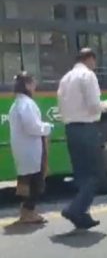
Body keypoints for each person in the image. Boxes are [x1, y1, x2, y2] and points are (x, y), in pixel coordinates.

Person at [57, 48, 107, 230]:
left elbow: (61, 107)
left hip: (71, 129)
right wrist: (106, 105)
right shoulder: (87, 76)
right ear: (89, 59)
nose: (95, 66)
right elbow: (93, 106)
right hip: (86, 128)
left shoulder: (65, 78)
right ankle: (75, 209)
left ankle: (82, 215)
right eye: (94, 62)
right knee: (96, 174)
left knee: (81, 174)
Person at [9, 72, 53, 224]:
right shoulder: (26, 104)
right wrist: (47, 127)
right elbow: (32, 127)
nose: (35, 86)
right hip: (30, 149)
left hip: (23, 148)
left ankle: (26, 212)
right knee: (35, 181)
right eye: (33, 83)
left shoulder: (17, 103)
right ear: (27, 85)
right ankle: (29, 211)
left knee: (26, 181)